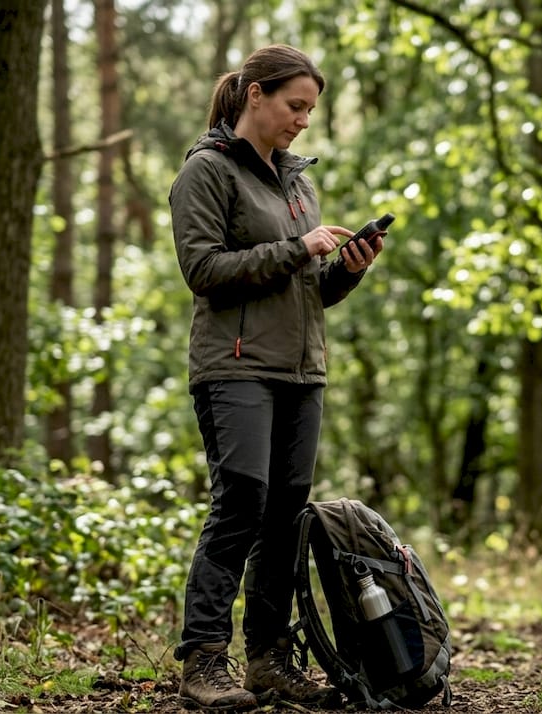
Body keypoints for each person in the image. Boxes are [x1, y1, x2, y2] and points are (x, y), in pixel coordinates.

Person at [168, 44, 385, 711]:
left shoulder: (297, 181)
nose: (303, 121)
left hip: (300, 371)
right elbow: (203, 270)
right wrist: (298, 247)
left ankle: (267, 660)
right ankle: (203, 660)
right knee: (242, 500)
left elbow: (308, 291)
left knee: (286, 516)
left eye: (311, 111)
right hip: (234, 366)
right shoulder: (207, 172)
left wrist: (345, 267)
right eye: (296, 106)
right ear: (254, 95)